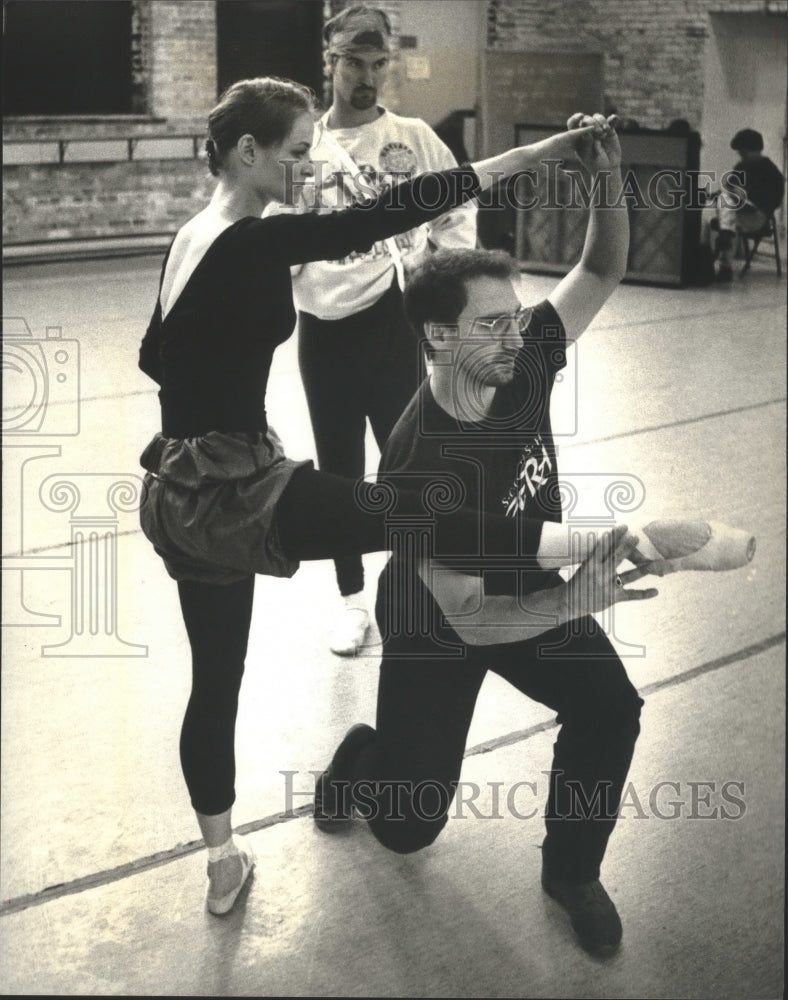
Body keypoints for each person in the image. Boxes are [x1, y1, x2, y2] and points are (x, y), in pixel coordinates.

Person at [136, 74, 610, 916]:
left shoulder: (191, 238)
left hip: (179, 494)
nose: (309, 165)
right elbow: (392, 213)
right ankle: (583, 551)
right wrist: (536, 153)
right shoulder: (250, 240)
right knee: (419, 512)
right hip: (235, 488)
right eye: (295, 154)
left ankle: (222, 859)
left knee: (216, 680)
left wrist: (223, 413)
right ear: (247, 154)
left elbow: (155, 357)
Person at [313, 114, 660, 959]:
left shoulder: (520, 356)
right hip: (440, 620)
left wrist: (603, 176)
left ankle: (571, 869)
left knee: (609, 707)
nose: (524, 334)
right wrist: (577, 599)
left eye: (517, 316)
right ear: (437, 337)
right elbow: (471, 620)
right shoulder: (418, 466)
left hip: (525, 577)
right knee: (407, 831)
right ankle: (365, 762)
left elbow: (603, 268)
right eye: (495, 323)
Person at [269, 5, 478, 655]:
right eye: (353, 63)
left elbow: (460, 203)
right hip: (324, 328)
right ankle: (351, 601)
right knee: (340, 470)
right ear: (328, 60)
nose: (366, 76)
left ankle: (416, 583)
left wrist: (438, 268)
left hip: (394, 322)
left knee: (409, 461)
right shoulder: (305, 147)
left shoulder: (413, 138)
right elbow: (278, 235)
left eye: (377, 64)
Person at [713, 128, 785, 282]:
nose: (740, 155)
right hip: (738, 213)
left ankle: (725, 263)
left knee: (726, 207)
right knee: (725, 201)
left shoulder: (771, 173)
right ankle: (726, 234)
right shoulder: (742, 167)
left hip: (758, 216)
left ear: (749, 150)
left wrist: (748, 200)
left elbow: (774, 201)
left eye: (742, 152)